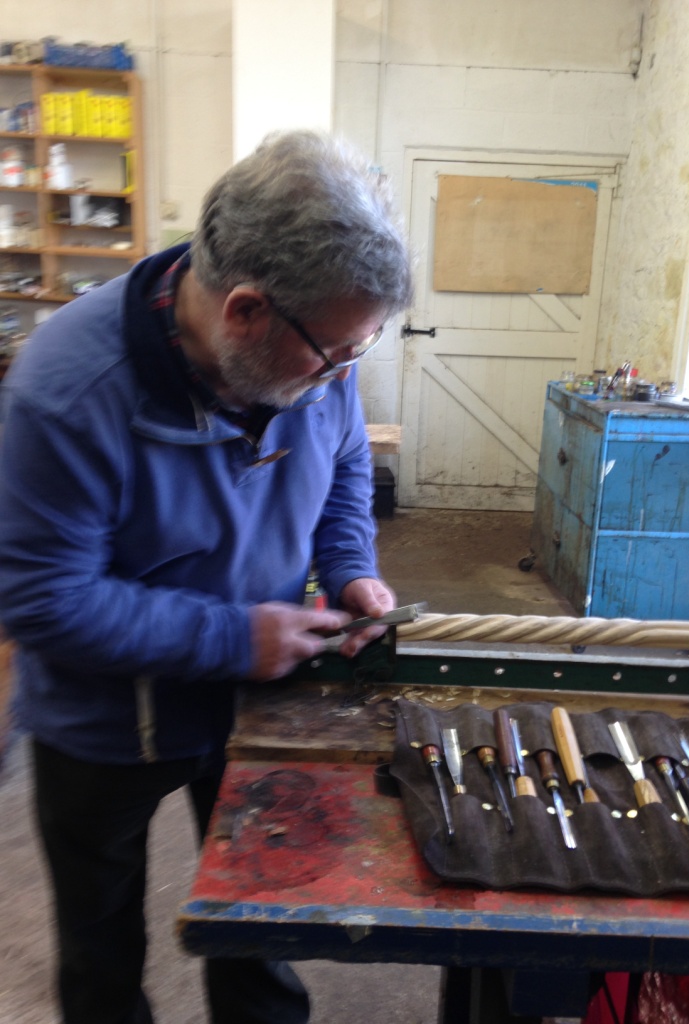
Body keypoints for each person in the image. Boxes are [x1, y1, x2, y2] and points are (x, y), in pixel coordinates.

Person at [0, 129, 413, 1024]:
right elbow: (42, 599)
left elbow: (343, 465)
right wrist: (235, 636)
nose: (343, 376)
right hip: (102, 725)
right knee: (100, 945)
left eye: (357, 357)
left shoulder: (319, 344)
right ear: (245, 313)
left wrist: (348, 569)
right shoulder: (66, 391)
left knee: (261, 918)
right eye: (334, 357)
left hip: (256, 700)